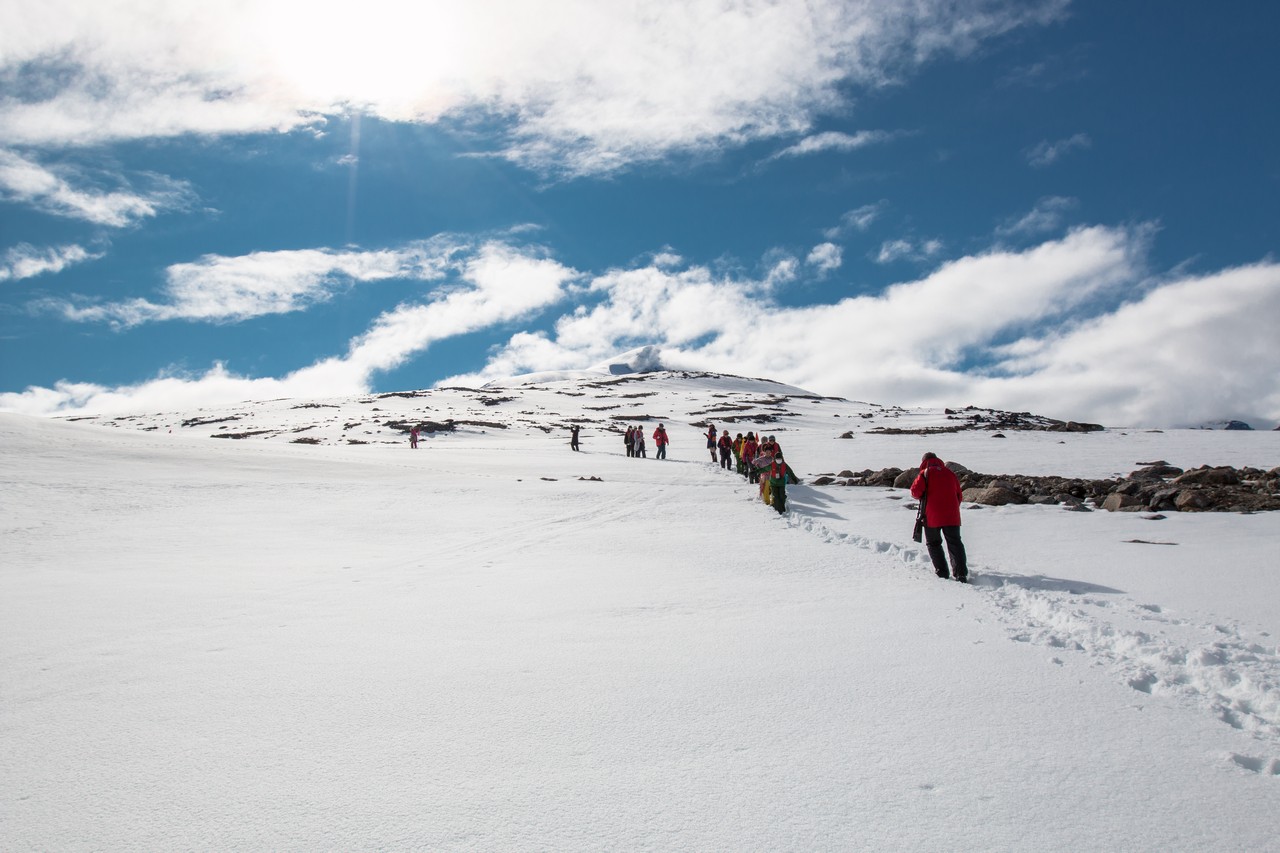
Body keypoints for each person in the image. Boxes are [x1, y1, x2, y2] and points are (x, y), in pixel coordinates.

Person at [910, 452, 969, 582]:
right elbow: (959, 495)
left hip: (931, 516)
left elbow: (915, 492)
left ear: (924, 461)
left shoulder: (925, 473)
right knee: (955, 543)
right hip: (952, 516)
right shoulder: (950, 474)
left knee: (934, 543)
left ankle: (942, 572)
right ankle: (961, 574)